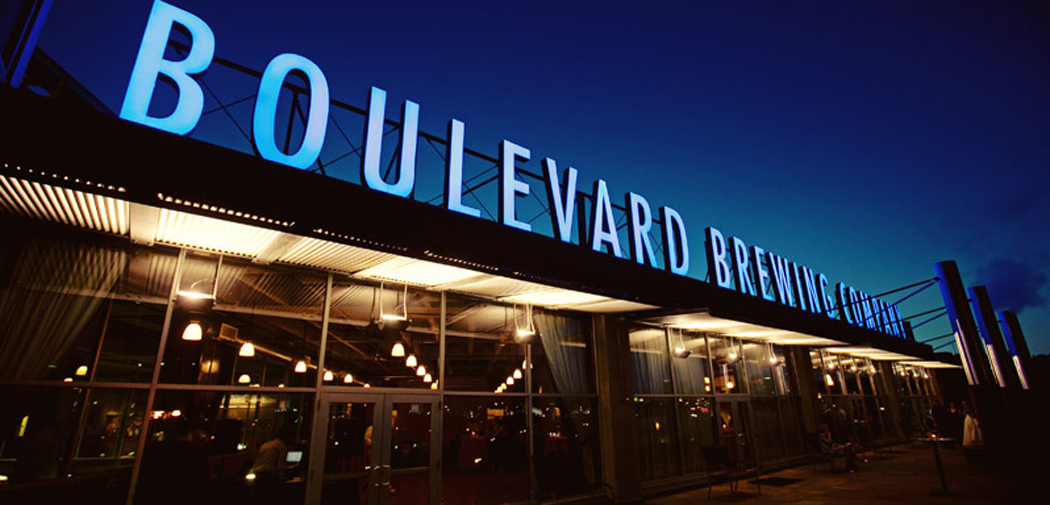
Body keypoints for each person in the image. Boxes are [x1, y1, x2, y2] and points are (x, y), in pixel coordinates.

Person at [251, 427, 294, 504]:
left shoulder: (265, 445)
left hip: (257, 475)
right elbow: (280, 466)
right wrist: (282, 480)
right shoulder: (281, 447)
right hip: (269, 477)